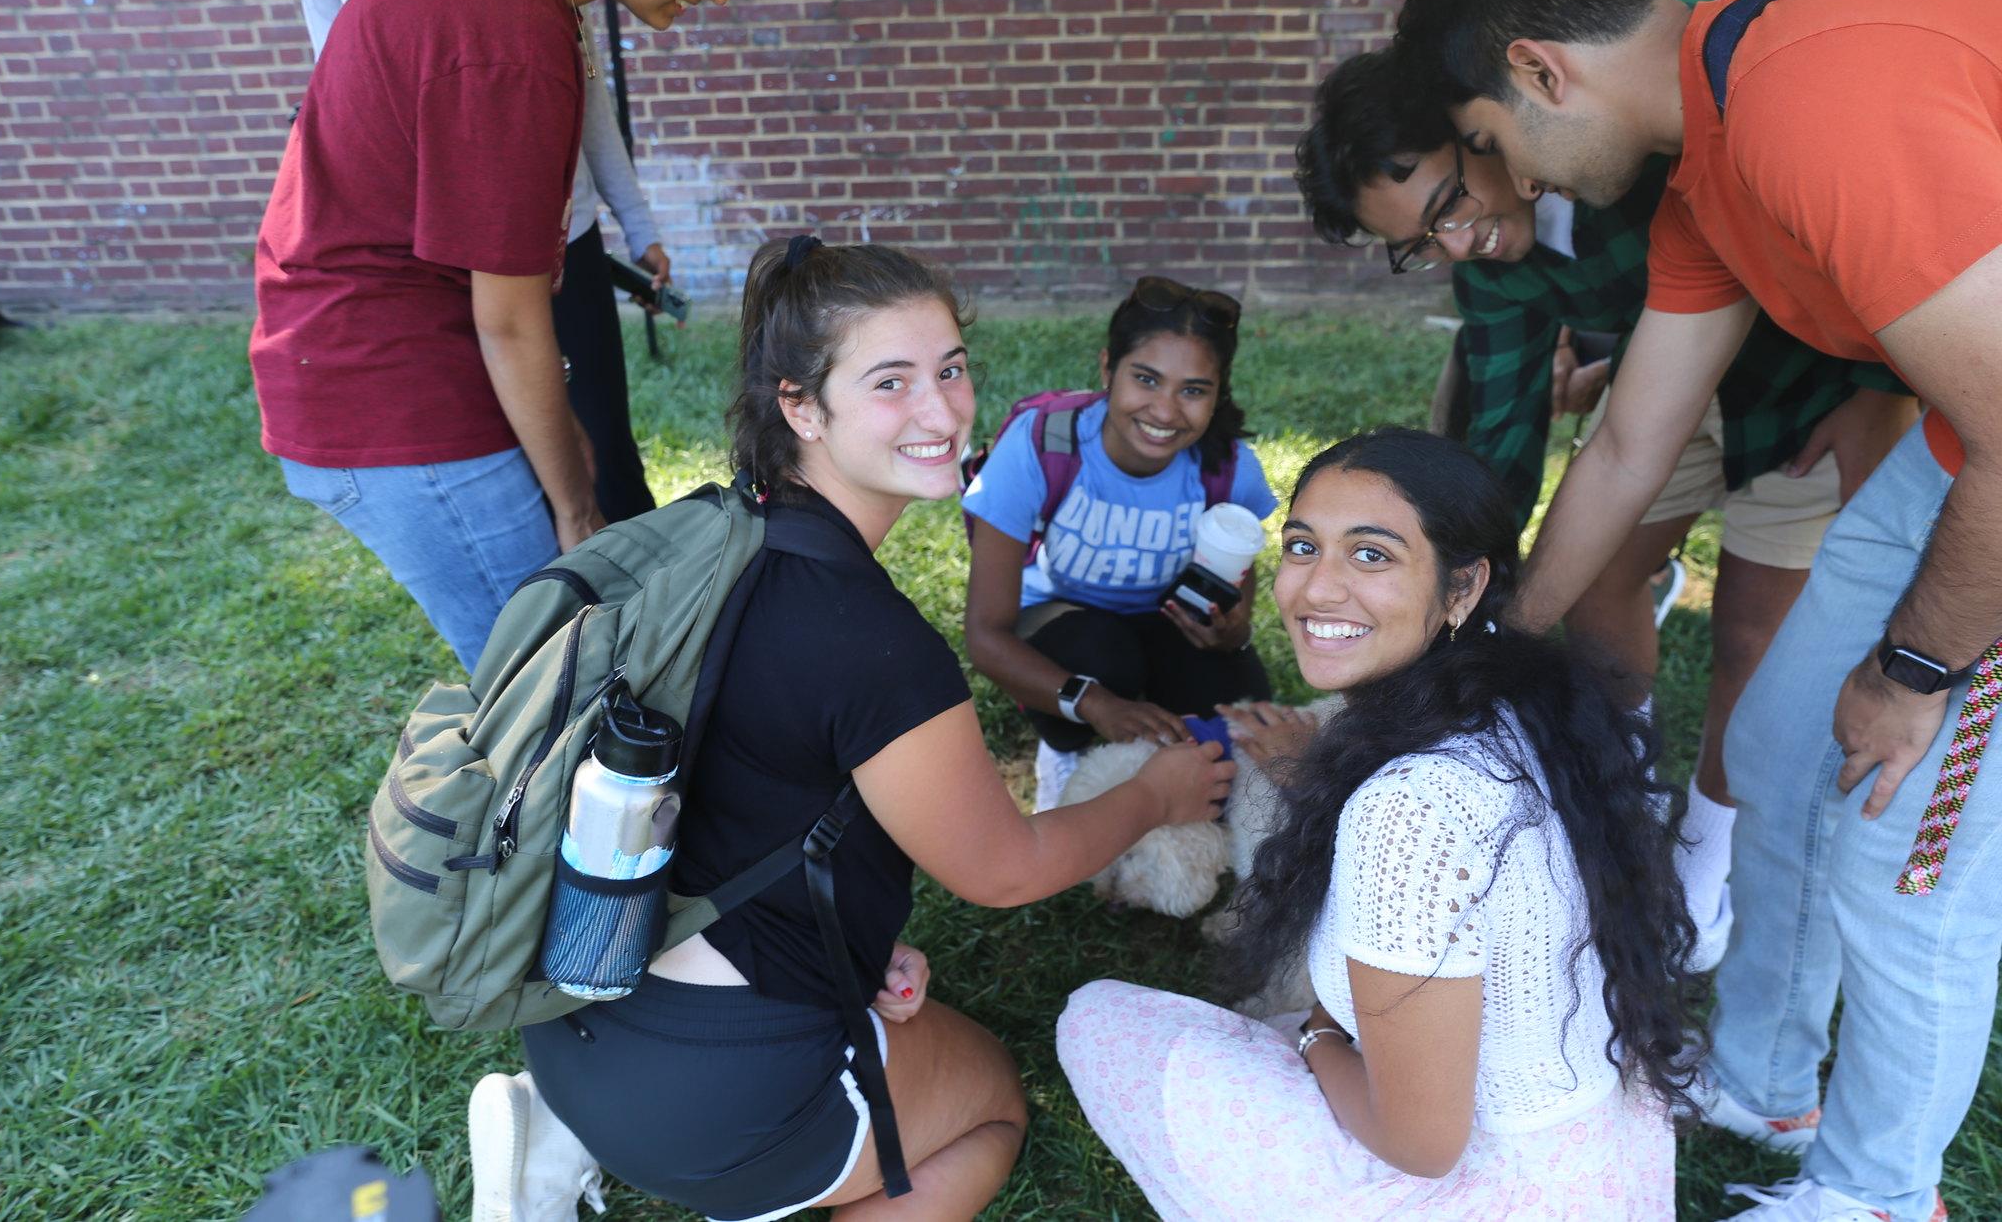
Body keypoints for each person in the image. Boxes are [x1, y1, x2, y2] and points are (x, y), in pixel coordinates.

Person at [1393, 0, 2002, 1221]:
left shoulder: (1814, 97)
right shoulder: (1715, 166)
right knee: (1787, 747)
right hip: (1970, 445)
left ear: (1541, 70)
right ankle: (1768, 1077)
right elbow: (1624, 452)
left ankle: (1882, 1191)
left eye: (1499, 143)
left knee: (1904, 842)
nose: (1528, 186)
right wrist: (1497, 645)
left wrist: (1914, 670)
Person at [470, 238, 1237, 1222]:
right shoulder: (869, 644)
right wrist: (1151, 798)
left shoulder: (704, 534)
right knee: (990, 1106)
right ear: (799, 405)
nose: (941, 409)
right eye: (890, 382)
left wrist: (854, 951)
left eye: (950, 369)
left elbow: (740, 782)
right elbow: (1000, 870)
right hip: (714, 1091)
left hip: (575, 999)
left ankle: (555, 1135)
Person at [1294, 47, 1914, 969]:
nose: (1459, 243)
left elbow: (1849, 242)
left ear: (1480, 130)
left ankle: (1703, 873)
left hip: (1806, 398)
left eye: (1448, 208)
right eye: (1422, 245)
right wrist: (1456, 586)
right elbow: (1502, 437)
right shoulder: (1491, 259)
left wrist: (1874, 383)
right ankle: (1618, 785)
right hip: (1657, 402)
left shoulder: (1630, 156)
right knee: (1592, 584)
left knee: (1752, 635)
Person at [1057, 428, 1698, 1219]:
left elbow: (1425, 1145)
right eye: (1302, 546)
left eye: (1371, 555)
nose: (1317, 588)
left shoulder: (1408, 810)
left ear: (1463, 589)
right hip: (1595, 1164)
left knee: (1097, 1022)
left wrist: (1318, 1041)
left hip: (1480, 1184)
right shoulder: (1524, 708)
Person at [253, 0, 769, 669]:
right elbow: (509, 317)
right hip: (386, 391)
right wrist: (574, 505)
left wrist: (566, 442)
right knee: (560, 694)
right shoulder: (513, 36)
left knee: (580, 674)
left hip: (393, 365)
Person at [294, 0, 670, 527]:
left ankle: (653, 617)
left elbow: (585, 92)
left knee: (609, 455)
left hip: (565, 241)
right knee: (526, 469)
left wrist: (636, 222)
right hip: (448, 264)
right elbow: (354, 114)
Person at [961, 278, 1279, 810]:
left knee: (1241, 696)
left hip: (1163, 616)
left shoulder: (1228, 468)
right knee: (1100, 655)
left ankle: (1155, 736)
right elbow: (985, 636)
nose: (1165, 410)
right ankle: (1064, 750)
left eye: (1193, 390)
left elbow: (1243, 577)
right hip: (1063, 618)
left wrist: (1233, 627)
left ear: (1218, 394)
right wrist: (1094, 703)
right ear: (1109, 369)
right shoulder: (1043, 444)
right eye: (1147, 379)